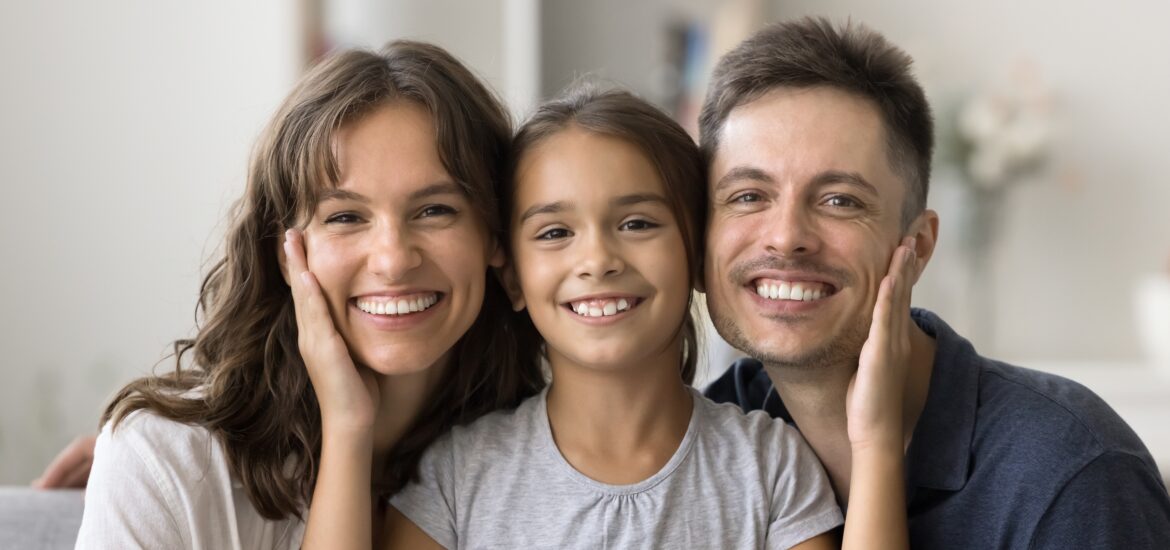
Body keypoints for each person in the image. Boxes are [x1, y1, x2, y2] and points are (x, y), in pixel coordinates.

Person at [376, 85, 918, 549]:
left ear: (698, 256)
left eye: (636, 224)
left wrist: (874, 441)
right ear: (514, 278)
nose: (597, 262)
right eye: (555, 233)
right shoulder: (455, 476)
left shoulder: (771, 468)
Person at [699, 16, 1170, 549]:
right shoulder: (710, 436)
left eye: (840, 200)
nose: (786, 238)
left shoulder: (1072, 473)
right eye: (748, 196)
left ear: (917, 246)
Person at [72, 41, 542, 549]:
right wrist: (347, 424)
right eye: (344, 217)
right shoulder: (167, 464)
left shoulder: (532, 465)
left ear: (495, 235)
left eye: (435, 210)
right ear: (285, 253)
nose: (392, 259)